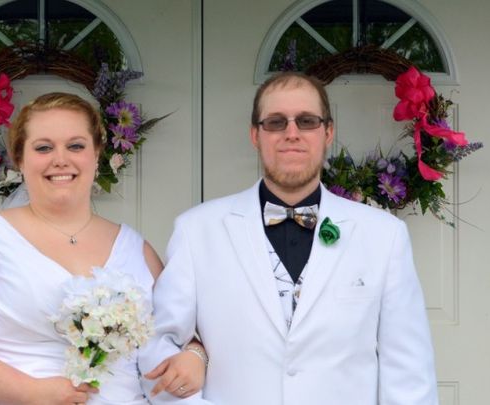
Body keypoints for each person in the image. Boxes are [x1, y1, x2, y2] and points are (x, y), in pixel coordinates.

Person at [140, 72, 439, 404]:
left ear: (328, 132)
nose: (292, 133)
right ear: (255, 135)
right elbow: (156, 347)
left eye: (307, 121)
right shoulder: (197, 231)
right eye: (276, 122)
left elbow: (409, 373)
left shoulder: (384, 236)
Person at [0, 92, 206, 405]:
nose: (60, 159)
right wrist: (30, 392)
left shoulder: (137, 249)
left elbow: (178, 334)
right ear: (20, 159)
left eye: (76, 146)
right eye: (43, 147)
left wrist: (195, 356)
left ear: (96, 154)